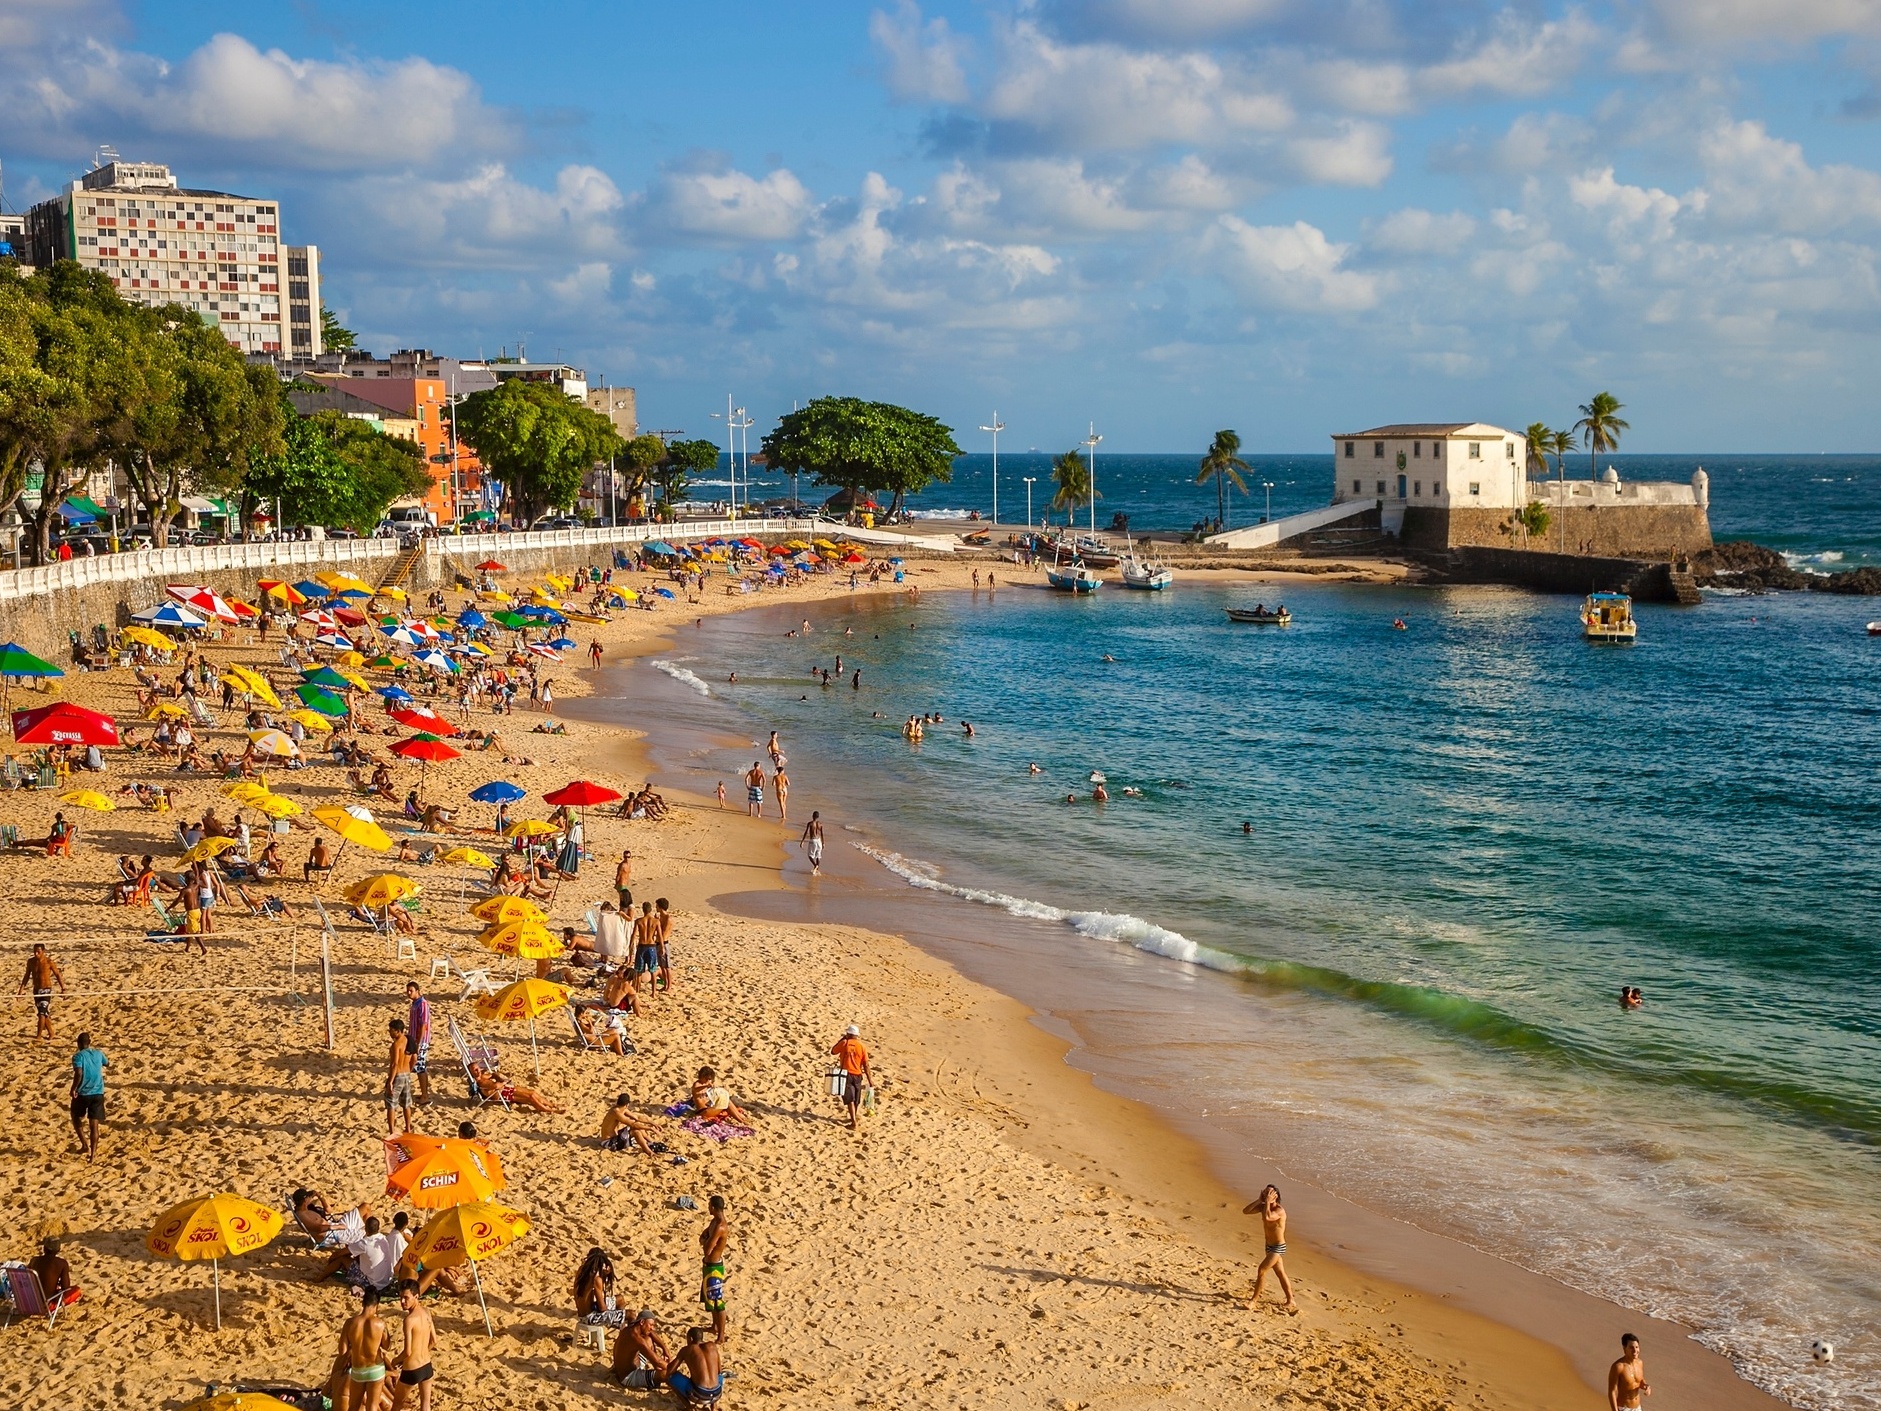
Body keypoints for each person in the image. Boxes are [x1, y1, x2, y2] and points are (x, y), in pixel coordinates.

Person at [337, 1286, 391, 1411]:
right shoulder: (380, 1323)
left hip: (358, 1369)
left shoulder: (350, 1323)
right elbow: (387, 1346)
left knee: (354, 1407)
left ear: (363, 1303)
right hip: (375, 1368)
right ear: (377, 1305)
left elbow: (342, 1351)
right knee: (372, 1407)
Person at [1243, 1184, 1295, 1311]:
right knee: (1280, 1273)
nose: (1267, 1195)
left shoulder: (1279, 1210)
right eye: (1265, 1192)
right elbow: (1246, 1211)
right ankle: (1291, 1300)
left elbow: (1268, 1217)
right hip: (1269, 1246)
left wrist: (1266, 1203)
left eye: (1269, 1193)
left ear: (1275, 1196)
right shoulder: (1263, 1207)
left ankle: (1253, 1301)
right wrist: (1259, 1200)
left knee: (1261, 1270)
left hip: (1278, 1247)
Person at [390, 1280, 437, 1411]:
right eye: (400, 1298)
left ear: (416, 1297)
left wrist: (395, 1361)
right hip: (427, 1366)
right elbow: (434, 1341)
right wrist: (421, 1352)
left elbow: (407, 1352)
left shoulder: (409, 1320)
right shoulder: (427, 1313)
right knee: (425, 1404)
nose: (402, 1302)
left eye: (406, 1298)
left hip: (412, 1369)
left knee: (397, 1404)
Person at [468, 1061, 564, 1113]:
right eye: (475, 1070)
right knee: (530, 1098)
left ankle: (552, 1105)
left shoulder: (483, 1076)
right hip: (502, 1094)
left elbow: (493, 1074)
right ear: (471, 1072)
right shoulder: (480, 1082)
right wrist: (503, 1083)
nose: (478, 1070)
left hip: (505, 1089)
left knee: (532, 1092)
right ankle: (548, 1110)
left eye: (478, 1068)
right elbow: (495, 1086)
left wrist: (500, 1080)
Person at [829, 1023, 874, 1131]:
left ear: (848, 1034)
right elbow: (866, 1064)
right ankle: (853, 1118)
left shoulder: (844, 1043)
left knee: (850, 1099)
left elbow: (833, 1051)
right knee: (856, 1098)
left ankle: (853, 1123)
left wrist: (843, 1039)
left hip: (846, 1074)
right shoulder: (862, 1046)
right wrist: (870, 1079)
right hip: (858, 1075)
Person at [699, 1195, 731, 1344]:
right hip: (709, 1265)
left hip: (714, 1267)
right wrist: (705, 1240)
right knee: (710, 1298)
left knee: (718, 1301)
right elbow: (703, 1237)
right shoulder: (714, 1222)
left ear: (713, 1207)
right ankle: (714, 1326)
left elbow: (707, 1248)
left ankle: (721, 1335)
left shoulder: (719, 1226)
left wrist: (705, 1241)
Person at [70, 1031, 106, 1161]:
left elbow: (78, 1073)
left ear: (78, 1044)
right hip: (98, 1093)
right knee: (94, 1125)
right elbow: (107, 1063)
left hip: (83, 1093)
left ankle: (85, 1144)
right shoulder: (98, 1053)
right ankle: (93, 1155)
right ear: (89, 1043)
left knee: (75, 1116)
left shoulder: (77, 1056)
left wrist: (73, 1088)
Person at [613, 1309, 673, 1388]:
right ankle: (655, 1376)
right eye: (650, 1325)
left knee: (649, 1339)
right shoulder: (636, 1338)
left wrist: (664, 1348)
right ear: (642, 1322)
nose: (652, 1328)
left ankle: (656, 1371)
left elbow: (651, 1333)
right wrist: (673, 1370)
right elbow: (658, 1361)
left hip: (633, 1364)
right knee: (665, 1374)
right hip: (629, 1377)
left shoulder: (632, 1328)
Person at [20, 943, 66, 1042]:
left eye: (38, 952)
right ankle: (51, 1033)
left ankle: (39, 1036)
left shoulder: (49, 962)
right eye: (34, 952)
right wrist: (21, 990)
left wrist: (63, 988)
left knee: (41, 1013)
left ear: (43, 951)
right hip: (36, 990)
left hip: (46, 990)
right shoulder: (31, 962)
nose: (36, 954)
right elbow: (27, 976)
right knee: (44, 1013)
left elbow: (57, 974)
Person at [668, 1326, 725, 1404]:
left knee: (671, 1377)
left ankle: (688, 1406)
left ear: (690, 1339)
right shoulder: (712, 1346)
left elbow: (670, 1371)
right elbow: (719, 1371)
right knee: (719, 1376)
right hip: (717, 1394)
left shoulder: (686, 1350)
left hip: (699, 1395)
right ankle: (713, 1406)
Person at [575, 1246, 626, 1327]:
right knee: (631, 1315)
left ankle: (619, 1325)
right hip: (591, 1318)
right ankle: (624, 1332)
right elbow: (602, 1308)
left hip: (582, 1314)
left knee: (619, 1299)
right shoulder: (596, 1279)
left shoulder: (582, 1271)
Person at [26, 1237, 79, 1311]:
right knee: (77, 1290)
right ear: (58, 1250)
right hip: (46, 1305)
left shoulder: (34, 1260)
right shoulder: (61, 1263)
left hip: (28, 1302)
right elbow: (66, 1288)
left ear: (44, 1248)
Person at [385, 1019, 416, 1135]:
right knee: (406, 1104)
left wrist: (390, 1082)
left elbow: (394, 1064)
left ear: (398, 1031)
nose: (389, 1032)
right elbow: (414, 1058)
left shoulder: (396, 1045)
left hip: (397, 1075)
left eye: (391, 1030)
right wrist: (409, 1070)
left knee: (391, 1104)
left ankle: (392, 1131)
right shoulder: (409, 1040)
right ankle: (408, 1128)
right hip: (406, 1074)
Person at [405, 981, 433, 1105]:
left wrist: (418, 1042)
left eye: (411, 991)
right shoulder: (415, 1004)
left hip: (420, 1041)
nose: (409, 993)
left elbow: (423, 1025)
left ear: (417, 991)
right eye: (408, 991)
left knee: (420, 1068)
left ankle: (425, 1096)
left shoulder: (422, 1004)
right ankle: (424, 1094)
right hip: (414, 1040)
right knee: (419, 1067)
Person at [1609, 1333, 1650, 1410]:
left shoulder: (1640, 1363)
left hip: (1638, 1408)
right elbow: (1612, 1392)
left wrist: (1646, 1386)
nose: (1635, 1350)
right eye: (1631, 1347)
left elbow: (1640, 1380)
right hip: (1624, 1408)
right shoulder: (1618, 1367)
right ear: (1624, 1349)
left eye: (1637, 1347)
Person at [631, 902, 660, 995]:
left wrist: (631, 945)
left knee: (639, 970)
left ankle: (637, 989)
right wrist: (662, 946)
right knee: (653, 970)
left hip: (642, 946)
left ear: (643, 910)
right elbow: (659, 935)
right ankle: (653, 992)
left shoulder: (639, 921)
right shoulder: (656, 921)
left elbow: (634, 934)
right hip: (651, 946)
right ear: (651, 910)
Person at [655, 897, 675, 993]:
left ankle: (669, 986)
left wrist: (662, 946)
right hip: (658, 943)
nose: (656, 908)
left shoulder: (668, 918)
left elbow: (663, 933)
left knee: (667, 966)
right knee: (662, 966)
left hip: (664, 943)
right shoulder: (661, 917)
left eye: (657, 906)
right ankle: (665, 984)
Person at [799, 811, 825, 877]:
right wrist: (823, 843)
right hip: (819, 841)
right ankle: (817, 869)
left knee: (810, 855)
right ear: (818, 816)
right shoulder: (820, 824)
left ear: (812, 816)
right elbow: (822, 834)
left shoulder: (810, 823)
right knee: (818, 856)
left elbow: (806, 833)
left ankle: (815, 865)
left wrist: (802, 841)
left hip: (813, 840)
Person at [614, 848, 633, 913]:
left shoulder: (629, 864)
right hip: (621, 884)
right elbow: (618, 875)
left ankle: (624, 911)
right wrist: (616, 884)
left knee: (626, 898)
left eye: (628, 857)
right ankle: (621, 911)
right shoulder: (622, 865)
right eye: (625, 857)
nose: (626, 858)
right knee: (623, 899)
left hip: (626, 883)